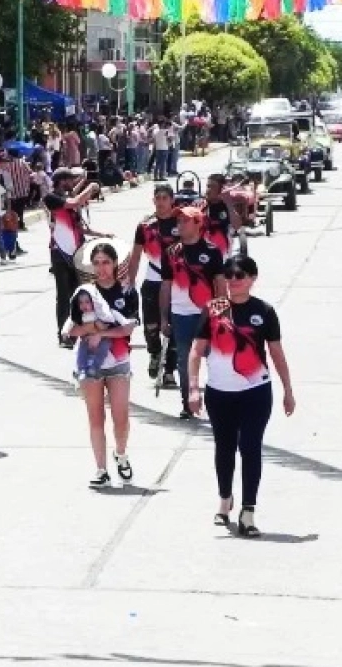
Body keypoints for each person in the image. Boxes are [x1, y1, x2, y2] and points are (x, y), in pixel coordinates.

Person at [187, 255, 295, 537]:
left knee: (250, 447)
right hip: (220, 394)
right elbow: (196, 351)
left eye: (241, 275)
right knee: (224, 448)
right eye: (230, 275)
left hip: (255, 391)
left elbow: (276, 352)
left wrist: (288, 389)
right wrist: (194, 388)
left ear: (252, 279)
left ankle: (248, 511)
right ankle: (225, 500)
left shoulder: (265, 311)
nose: (234, 280)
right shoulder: (213, 309)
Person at [65, 243, 139, 488]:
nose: (101, 268)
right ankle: (101, 469)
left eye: (106, 262)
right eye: (96, 263)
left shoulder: (127, 291)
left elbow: (128, 327)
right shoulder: (84, 292)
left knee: (120, 417)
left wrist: (104, 334)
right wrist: (92, 329)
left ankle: (121, 453)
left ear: (115, 263)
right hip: (89, 363)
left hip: (118, 360)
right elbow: (69, 329)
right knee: (95, 417)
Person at [160, 206, 228, 419]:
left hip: (207, 314)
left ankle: (216, 402)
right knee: (184, 360)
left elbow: (219, 285)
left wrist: (222, 315)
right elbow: (165, 286)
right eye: (178, 220)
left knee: (214, 359)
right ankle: (188, 403)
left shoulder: (212, 251)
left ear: (199, 224)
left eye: (185, 220)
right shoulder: (171, 252)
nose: (179, 224)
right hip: (181, 316)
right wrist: (164, 317)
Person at [44, 167, 106, 348]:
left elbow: (80, 226)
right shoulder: (51, 198)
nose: (72, 183)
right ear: (61, 181)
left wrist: (102, 234)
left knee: (78, 294)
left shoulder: (66, 200)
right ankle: (63, 335)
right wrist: (90, 187)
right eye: (69, 179)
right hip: (60, 253)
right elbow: (75, 200)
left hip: (76, 253)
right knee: (63, 296)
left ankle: (77, 331)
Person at [125, 185, 181, 387]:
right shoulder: (145, 226)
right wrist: (129, 283)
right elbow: (136, 255)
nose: (161, 201)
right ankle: (155, 354)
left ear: (172, 200)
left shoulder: (182, 222)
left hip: (177, 282)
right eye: (157, 197)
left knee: (173, 326)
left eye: (165, 198)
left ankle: (169, 371)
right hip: (152, 281)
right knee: (151, 326)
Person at [67, 288, 131, 382]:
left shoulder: (103, 313)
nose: (84, 305)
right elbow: (70, 328)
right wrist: (67, 331)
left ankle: (94, 367)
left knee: (104, 347)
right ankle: (82, 369)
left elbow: (114, 326)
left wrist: (98, 328)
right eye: (81, 303)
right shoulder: (78, 315)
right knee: (82, 350)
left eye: (87, 302)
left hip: (106, 343)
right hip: (86, 339)